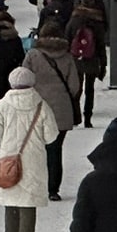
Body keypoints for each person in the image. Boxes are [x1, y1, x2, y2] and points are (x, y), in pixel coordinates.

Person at [0, 65, 55, 232]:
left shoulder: (2, 106)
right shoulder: (41, 106)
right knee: (28, 208)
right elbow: (51, 136)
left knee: (11, 206)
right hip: (34, 161)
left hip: (8, 161)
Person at [21, 24, 80, 200]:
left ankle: (37, 185)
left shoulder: (33, 55)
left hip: (36, 107)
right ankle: (53, 189)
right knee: (55, 149)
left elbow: (23, 79)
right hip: (61, 109)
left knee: (37, 149)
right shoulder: (67, 56)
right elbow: (74, 86)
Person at [69, 0, 109, 128]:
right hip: (92, 58)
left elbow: (67, 36)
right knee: (90, 89)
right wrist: (103, 63)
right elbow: (101, 45)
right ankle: (87, 118)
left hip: (76, 58)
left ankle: (75, 116)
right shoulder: (97, 21)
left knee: (76, 88)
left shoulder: (75, 19)